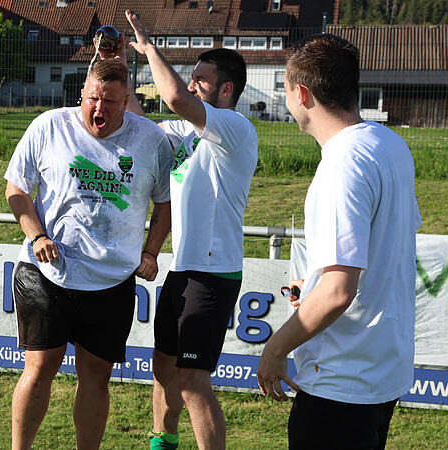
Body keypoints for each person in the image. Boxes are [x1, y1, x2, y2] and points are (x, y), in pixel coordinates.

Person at [256, 34, 421, 449]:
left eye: (286, 89)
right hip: (380, 369)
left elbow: (338, 291)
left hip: (341, 381)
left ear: (303, 94)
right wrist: (311, 288)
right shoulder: (391, 145)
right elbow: (383, 250)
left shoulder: (341, 166)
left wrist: (275, 349)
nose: (287, 99)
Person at [5, 58, 173, 450]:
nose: (99, 109)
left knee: (95, 376)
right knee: (40, 367)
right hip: (46, 271)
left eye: (110, 102)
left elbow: (165, 204)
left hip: (112, 280)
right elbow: (16, 188)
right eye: (93, 99)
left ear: (126, 100)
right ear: (81, 93)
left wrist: (151, 251)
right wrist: (36, 235)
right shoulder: (49, 126)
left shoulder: (150, 139)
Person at [125, 11, 258, 450]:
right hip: (183, 270)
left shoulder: (236, 129)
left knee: (192, 381)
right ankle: (162, 445)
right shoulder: (189, 132)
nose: (192, 83)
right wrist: (117, 67)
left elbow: (178, 98)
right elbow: (139, 122)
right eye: (191, 76)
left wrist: (150, 49)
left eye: (202, 79)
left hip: (214, 274)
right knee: (164, 369)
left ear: (227, 89)